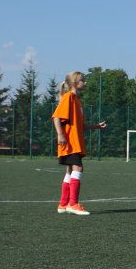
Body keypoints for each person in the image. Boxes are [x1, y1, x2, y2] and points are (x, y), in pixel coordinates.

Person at [51, 71, 107, 215]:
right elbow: (56, 117)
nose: (85, 82)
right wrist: (60, 135)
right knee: (78, 168)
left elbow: (80, 125)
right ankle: (73, 204)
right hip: (70, 142)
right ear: (75, 83)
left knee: (70, 171)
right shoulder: (68, 97)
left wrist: (96, 126)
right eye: (83, 80)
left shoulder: (77, 100)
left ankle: (63, 204)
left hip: (75, 141)